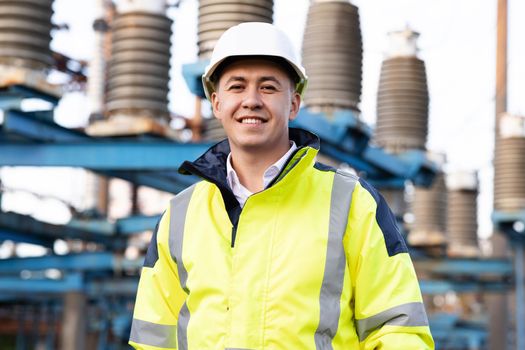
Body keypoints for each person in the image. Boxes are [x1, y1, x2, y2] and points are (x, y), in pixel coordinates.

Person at [129, 22, 434, 350]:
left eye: (268, 87)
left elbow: (399, 331)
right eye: (237, 86)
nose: (251, 100)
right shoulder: (181, 215)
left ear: (293, 104)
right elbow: (154, 338)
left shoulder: (352, 204)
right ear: (216, 104)